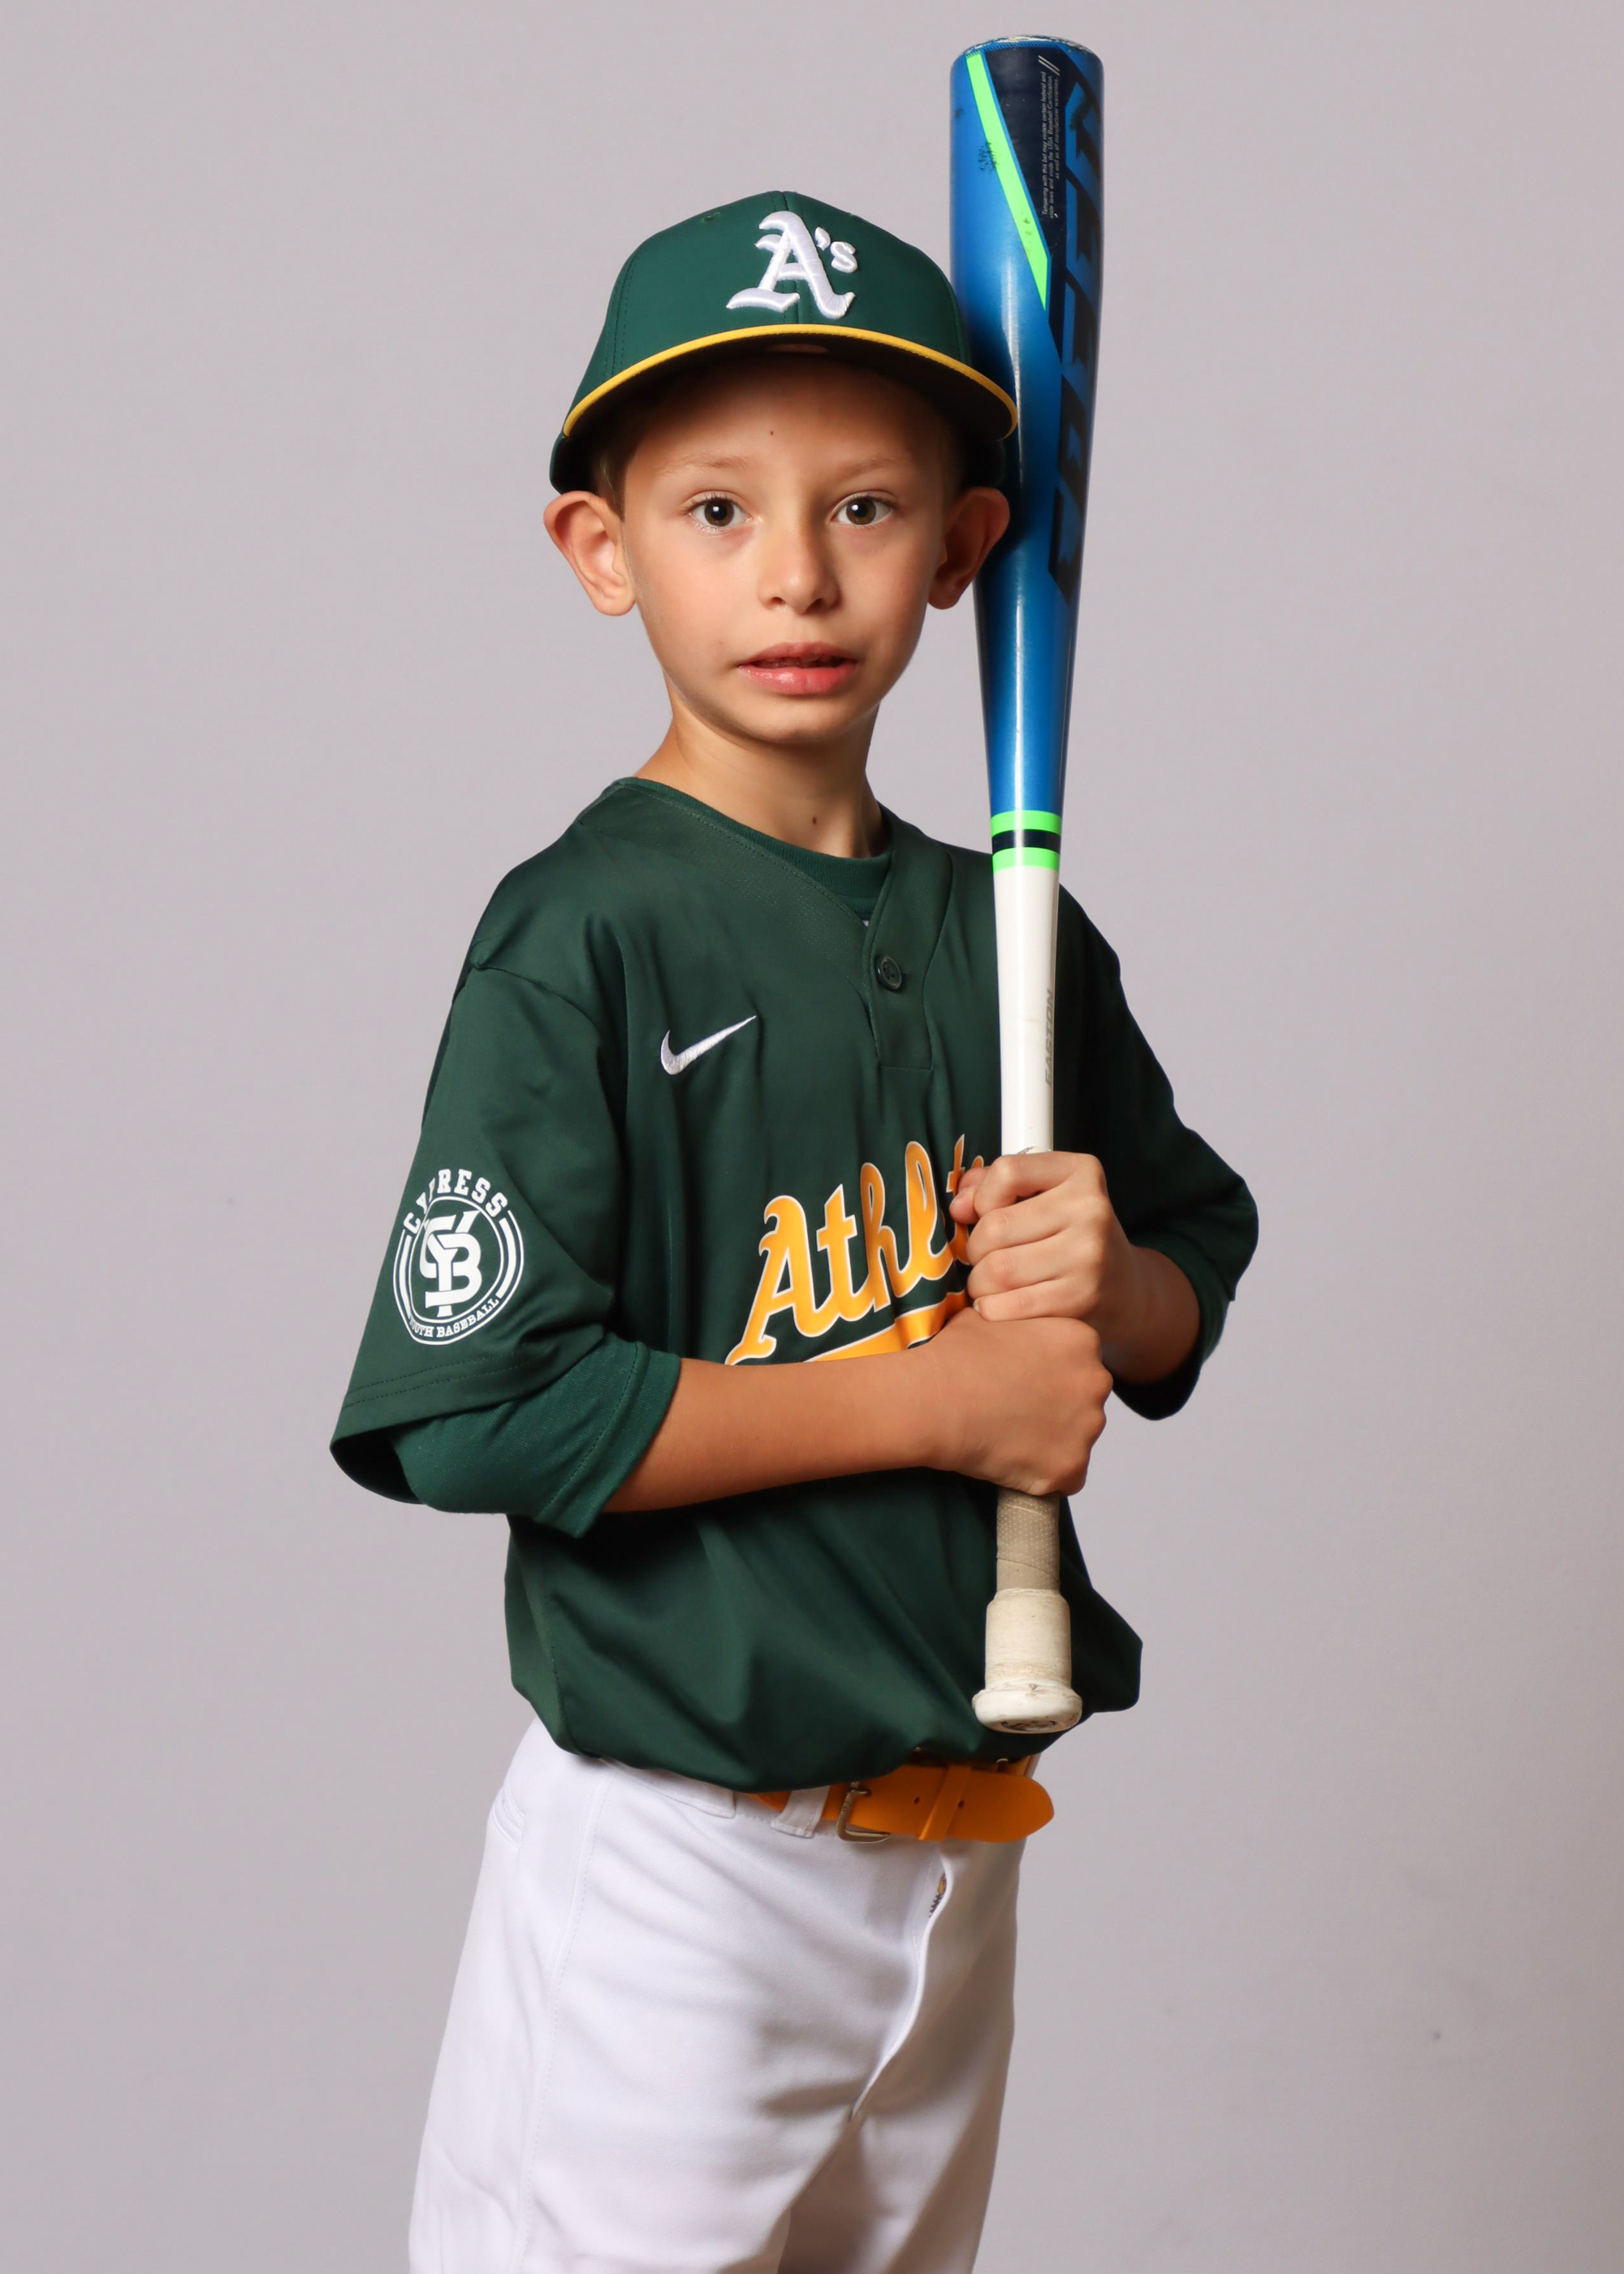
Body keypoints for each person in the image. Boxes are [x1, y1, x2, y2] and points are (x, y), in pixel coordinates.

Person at [332, 191, 1258, 2273]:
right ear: (601, 551)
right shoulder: (584, 932)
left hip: (957, 1861)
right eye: (716, 509)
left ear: (964, 547)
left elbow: (1188, 1255)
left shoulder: (1011, 929)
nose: (795, 571)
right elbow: (481, 1409)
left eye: (862, 505)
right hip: (677, 1864)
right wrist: (940, 1397)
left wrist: (1113, 1286)